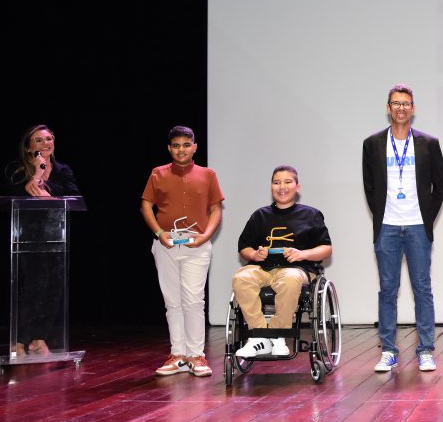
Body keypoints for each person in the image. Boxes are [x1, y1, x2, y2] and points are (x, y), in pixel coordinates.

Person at [362, 84, 443, 373]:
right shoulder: (372, 144)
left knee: (422, 288)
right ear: (388, 108)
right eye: (396, 103)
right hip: (387, 226)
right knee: (388, 289)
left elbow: (440, 186)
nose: (401, 108)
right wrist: (382, 215)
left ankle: (426, 350)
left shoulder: (429, 143)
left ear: (413, 108)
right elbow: (370, 188)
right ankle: (388, 350)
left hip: (417, 227)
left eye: (406, 103)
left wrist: (426, 219)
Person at [141, 126, 224, 378]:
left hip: (196, 245)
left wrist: (205, 236)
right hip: (166, 245)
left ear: (194, 147)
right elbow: (146, 205)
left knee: (193, 300)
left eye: (186, 145)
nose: (181, 150)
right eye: (176, 145)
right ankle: (178, 355)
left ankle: (196, 355)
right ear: (169, 148)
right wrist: (159, 233)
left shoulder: (207, 174)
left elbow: (216, 209)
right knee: (172, 301)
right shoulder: (158, 173)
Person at [232, 166, 332, 358]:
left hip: (297, 268)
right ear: (271, 187)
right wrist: (254, 255)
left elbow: (326, 249)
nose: (282, 187)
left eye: (287, 182)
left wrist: (302, 254)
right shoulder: (260, 216)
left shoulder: (311, 215)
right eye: (277, 183)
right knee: (241, 277)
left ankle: (278, 335)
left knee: (290, 278)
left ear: (297, 187)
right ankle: (260, 336)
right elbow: (244, 247)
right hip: (263, 268)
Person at [5, 124, 81, 356]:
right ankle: (20, 339)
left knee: (52, 290)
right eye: (38, 140)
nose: (45, 144)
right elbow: (17, 195)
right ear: (28, 148)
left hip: (55, 236)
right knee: (32, 289)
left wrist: (49, 194)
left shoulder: (62, 170)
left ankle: (39, 339)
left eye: (49, 139)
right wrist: (38, 173)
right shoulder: (17, 170)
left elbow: (73, 196)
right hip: (26, 238)